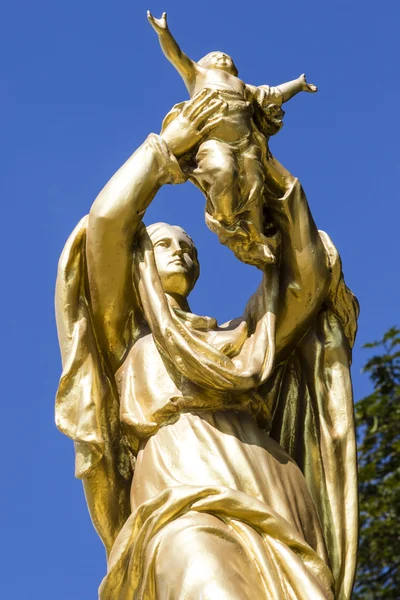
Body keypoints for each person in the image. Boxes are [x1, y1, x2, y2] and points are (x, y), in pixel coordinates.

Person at [55, 89, 359, 599]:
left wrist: (260, 159)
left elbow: (307, 281)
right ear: (140, 263)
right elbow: (108, 223)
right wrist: (165, 151)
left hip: (271, 484)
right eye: (163, 244)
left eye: (188, 246)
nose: (180, 252)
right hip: (178, 492)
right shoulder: (126, 338)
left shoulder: (242, 340)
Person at [147, 11, 317, 267]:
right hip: (214, 141)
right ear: (204, 64)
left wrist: (297, 84)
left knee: (254, 185)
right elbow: (176, 56)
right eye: (215, 56)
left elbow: (272, 95)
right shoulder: (198, 75)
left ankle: (256, 237)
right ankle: (226, 220)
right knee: (223, 171)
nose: (222, 56)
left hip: (248, 145)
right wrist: (164, 33)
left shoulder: (243, 87)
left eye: (226, 56)